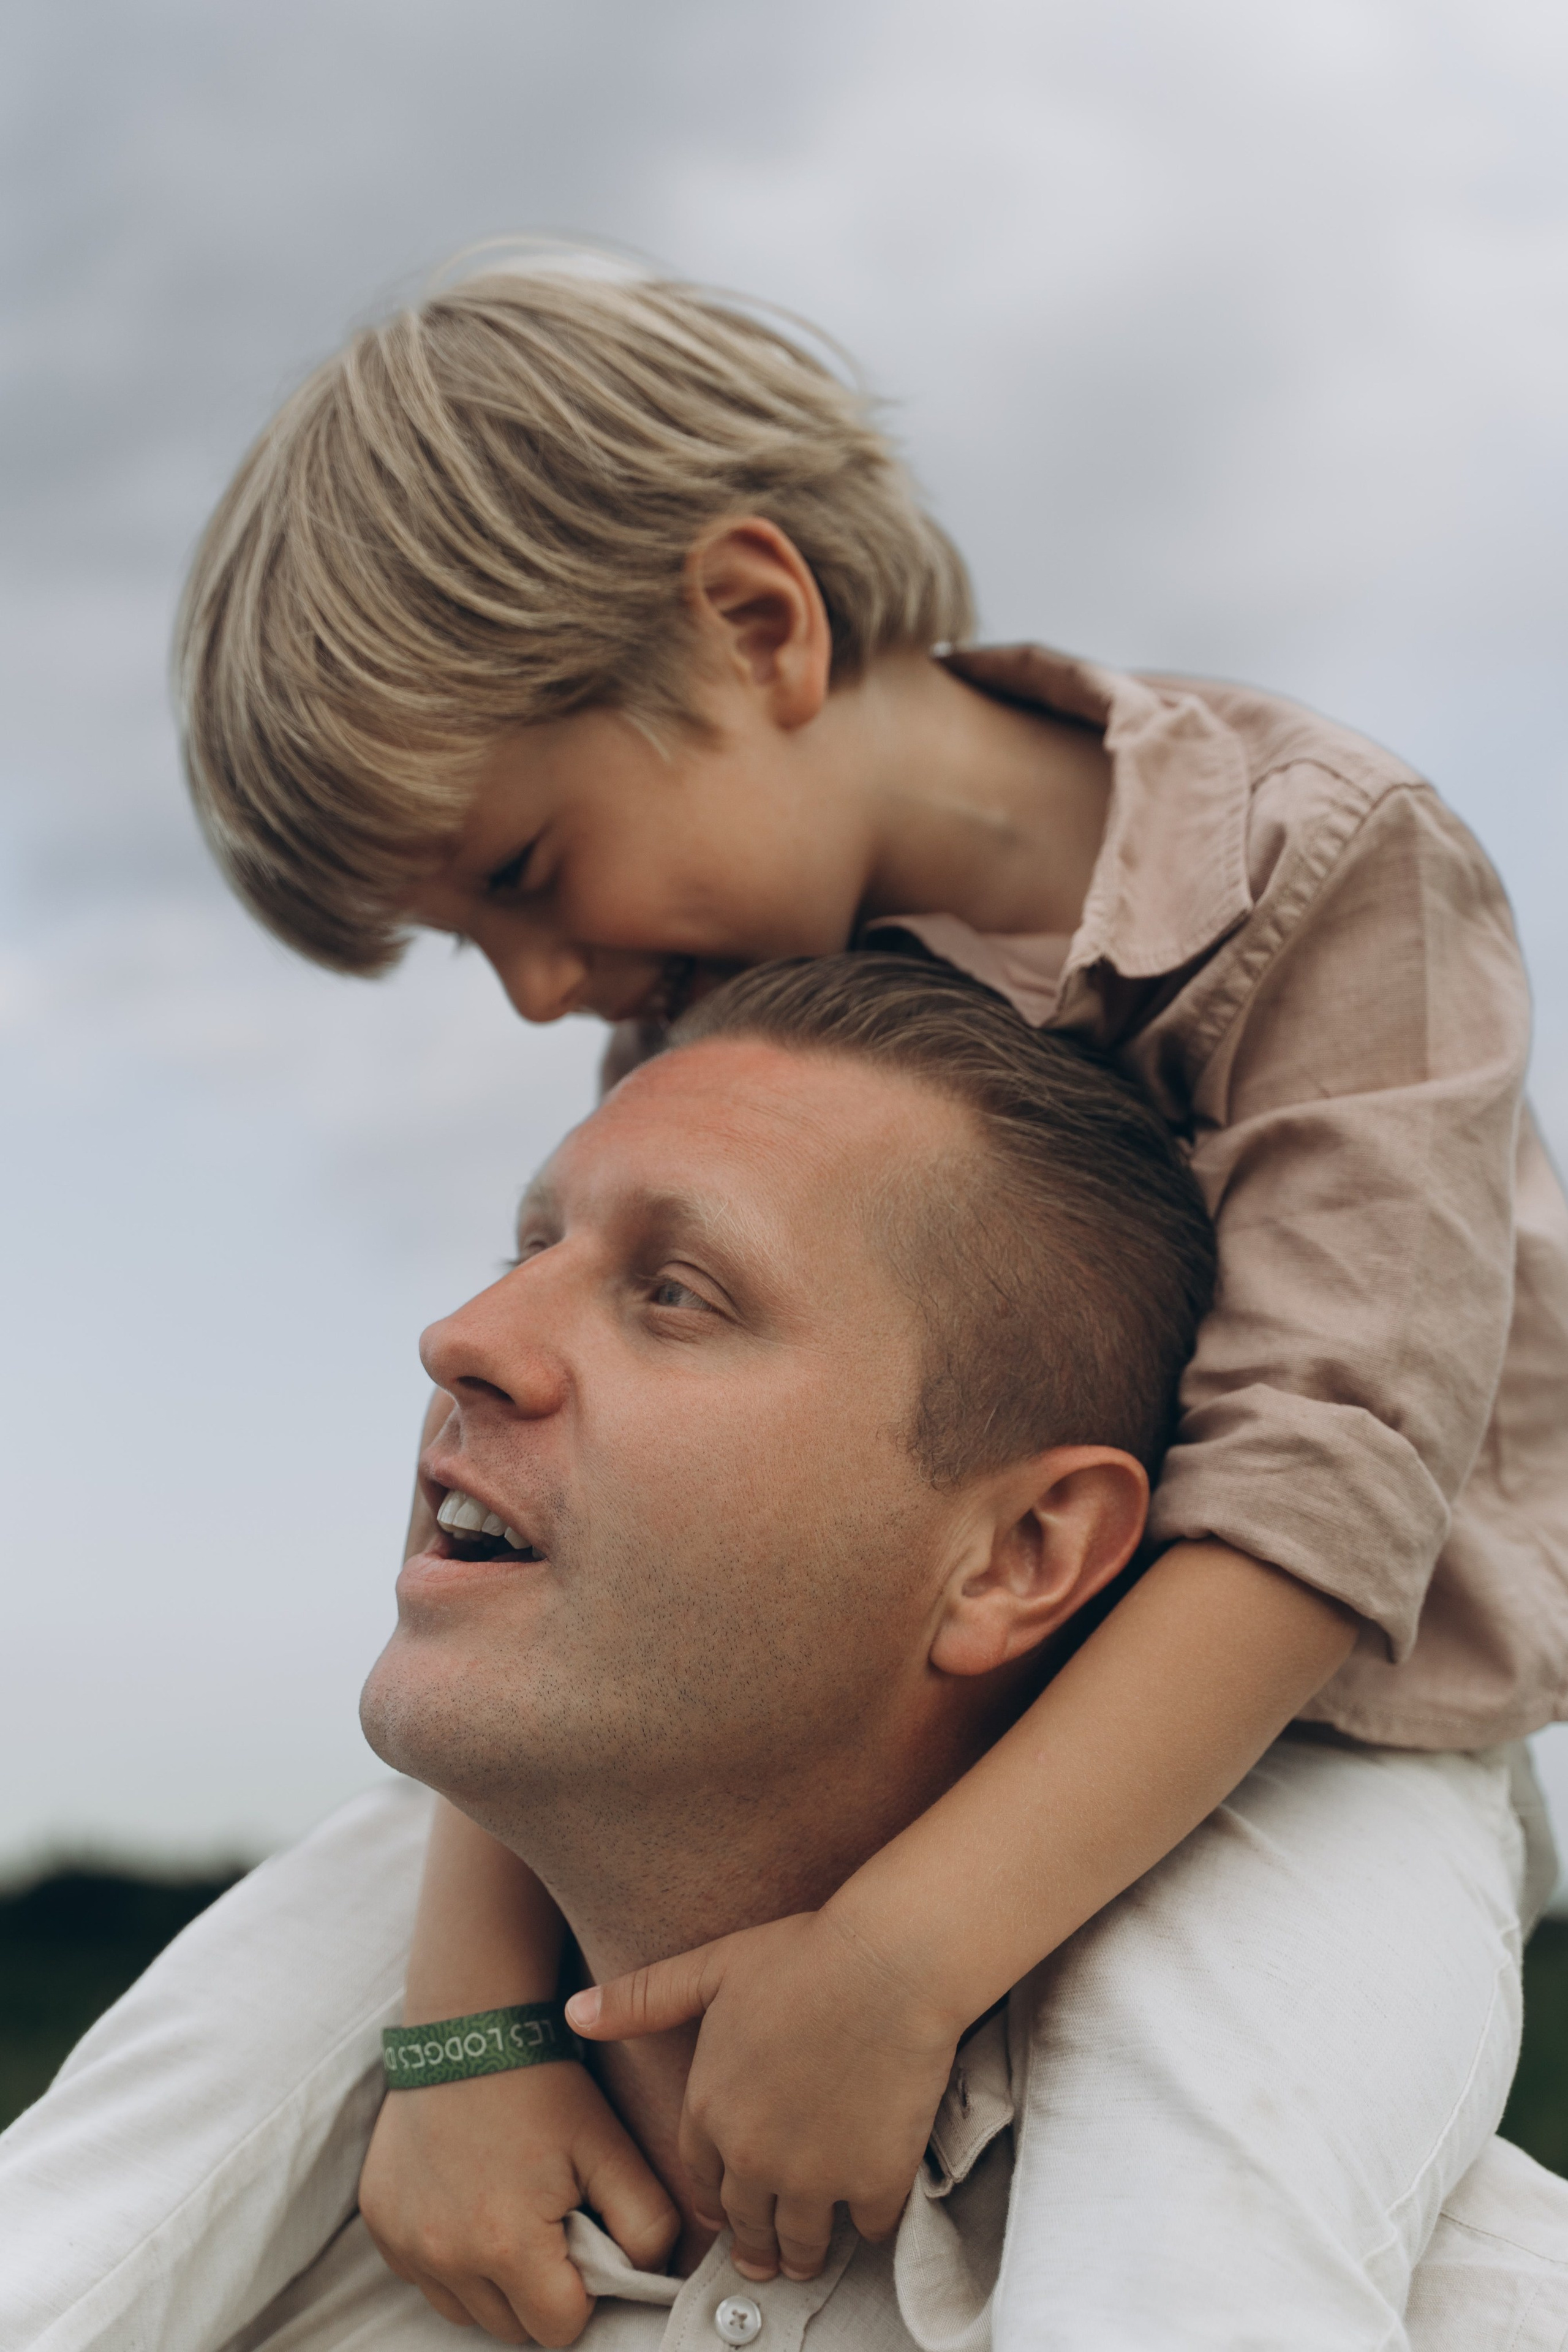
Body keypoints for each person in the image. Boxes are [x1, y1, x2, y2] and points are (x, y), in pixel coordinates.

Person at [169, 254, 1568, 2342]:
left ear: (759, 625)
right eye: (471, 942)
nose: (542, 993)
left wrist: (900, 1962)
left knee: (1202, 2136)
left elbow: (1325, 1484)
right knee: (228, 2049)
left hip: (1328, 1729)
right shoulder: (722, 997)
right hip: (878, 1729)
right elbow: (550, 1562)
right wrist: (469, 2035)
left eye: (526, 876)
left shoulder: (1323, 868)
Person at [2, 954, 1564, 2352]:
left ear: (1017, 1557)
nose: (461, 1337)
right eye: (524, 1245)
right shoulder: (264, 2239)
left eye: (675, 1295)